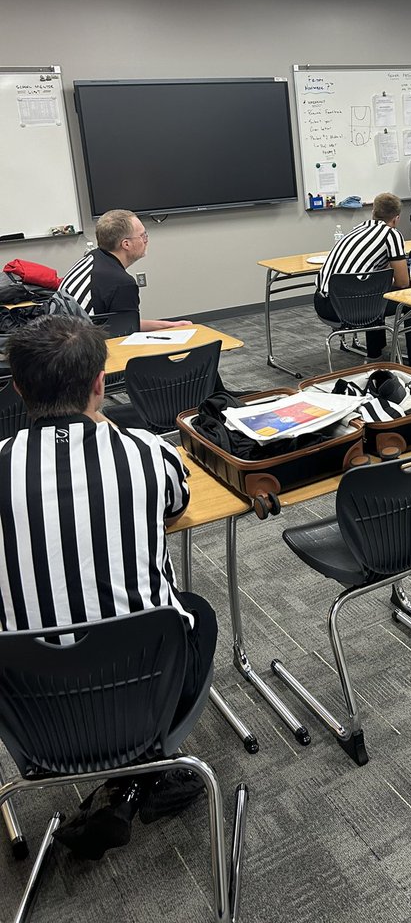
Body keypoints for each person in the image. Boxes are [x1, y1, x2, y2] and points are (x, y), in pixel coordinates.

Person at [0, 316, 216, 857]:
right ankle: (140, 775)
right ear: (101, 382)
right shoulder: (146, 453)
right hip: (144, 692)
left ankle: (126, 785)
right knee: (195, 612)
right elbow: (176, 503)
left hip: (28, 713)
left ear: (18, 387)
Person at [315, 193, 411, 367]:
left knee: (374, 290)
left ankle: (375, 352)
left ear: (373, 211)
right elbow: (403, 283)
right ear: (396, 219)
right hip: (351, 309)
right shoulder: (391, 234)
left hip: (324, 305)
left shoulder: (357, 229)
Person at [60, 208, 191, 331]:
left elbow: (123, 321)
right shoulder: (121, 283)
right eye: (142, 235)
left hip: (60, 339)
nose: (146, 240)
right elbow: (125, 334)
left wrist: (170, 325)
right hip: (78, 349)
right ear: (126, 244)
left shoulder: (92, 258)